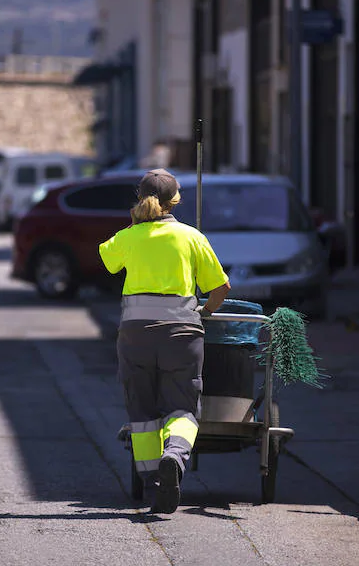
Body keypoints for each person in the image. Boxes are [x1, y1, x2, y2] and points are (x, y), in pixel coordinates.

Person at [98, 168, 230, 514]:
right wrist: (203, 312)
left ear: (140, 200)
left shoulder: (129, 237)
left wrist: (134, 228)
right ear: (176, 200)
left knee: (141, 413)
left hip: (135, 336)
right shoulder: (191, 237)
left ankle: (153, 482)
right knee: (183, 407)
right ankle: (174, 455)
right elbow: (221, 289)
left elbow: (107, 260)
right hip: (181, 334)